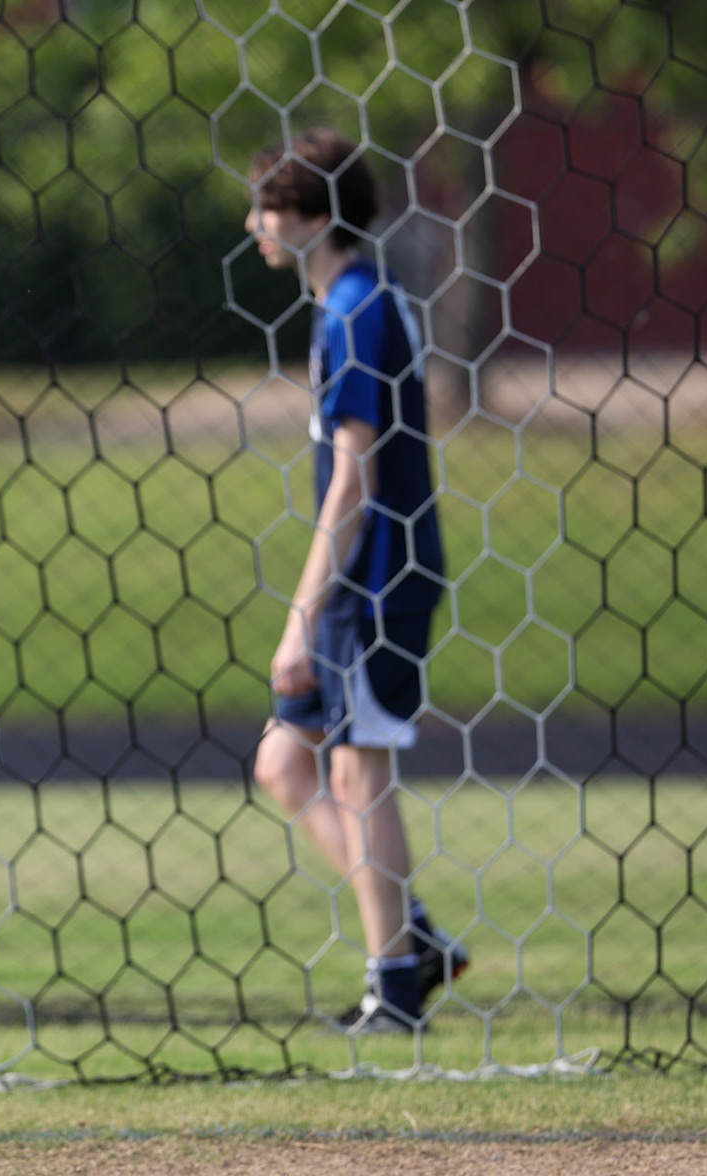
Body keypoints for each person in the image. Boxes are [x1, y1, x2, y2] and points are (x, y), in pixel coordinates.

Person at [245, 128, 464, 1033]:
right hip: (357, 581)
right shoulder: (345, 303)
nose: (256, 222)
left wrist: (300, 616)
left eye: (273, 207)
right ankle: (413, 935)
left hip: (375, 581)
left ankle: (394, 986)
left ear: (319, 218)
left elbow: (355, 476)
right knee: (283, 765)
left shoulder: (360, 310)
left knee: (356, 769)